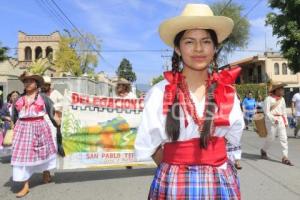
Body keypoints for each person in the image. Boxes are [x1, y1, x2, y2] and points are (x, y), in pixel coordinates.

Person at [134, 4, 244, 199]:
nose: (199, 49)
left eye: (206, 41)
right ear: (177, 48)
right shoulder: (160, 92)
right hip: (175, 182)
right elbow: (150, 145)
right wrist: (176, 168)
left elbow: (231, 141)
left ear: (215, 47)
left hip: (219, 180)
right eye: (189, 42)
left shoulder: (226, 92)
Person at [11, 71, 63, 198]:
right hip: (23, 130)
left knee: (43, 152)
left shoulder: (43, 98)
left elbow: (52, 112)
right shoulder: (19, 99)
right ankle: (25, 186)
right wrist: (13, 129)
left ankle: (46, 173)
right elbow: (15, 116)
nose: (27, 83)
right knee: (22, 158)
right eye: (26, 81)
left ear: (37, 84)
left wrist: (58, 123)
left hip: (40, 128)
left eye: (31, 81)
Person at [260, 82, 293, 166]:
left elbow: (284, 111)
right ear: (276, 90)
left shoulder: (282, 99)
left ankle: (285, 156)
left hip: (280, 120)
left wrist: (286, 121)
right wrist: (273, 119)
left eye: (282, 88)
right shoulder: (268, 99)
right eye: (281, 89)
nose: (283, 90)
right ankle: (263, 150)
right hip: (271, 121)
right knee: (271, 138)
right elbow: (266, 111)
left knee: (284, 138)